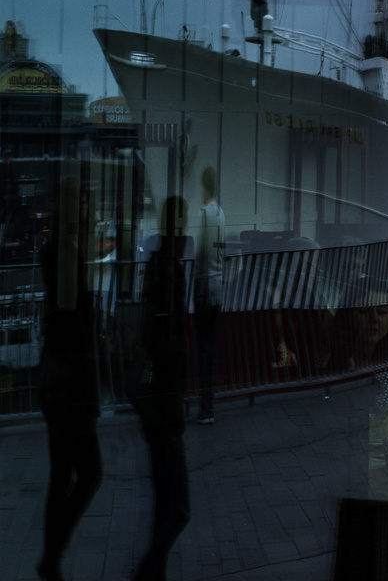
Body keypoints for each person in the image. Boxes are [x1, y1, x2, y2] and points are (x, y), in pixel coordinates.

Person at [37, 178, 102, 581]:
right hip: (69, 383)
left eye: (85, 201)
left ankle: (51, 558)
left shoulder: (65, 252)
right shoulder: (65, 254)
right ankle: (53, 552)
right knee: (88, 473)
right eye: (78, 201)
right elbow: (68, 326)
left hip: (61, 380)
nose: (84, 209)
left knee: (63, 473)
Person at [127, 196, 191, 581]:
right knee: (179, 507)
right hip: (165, 406)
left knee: (165, 501)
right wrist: (176, 414)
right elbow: (169, 350)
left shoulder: (157, 265)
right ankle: (149, 569)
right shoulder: (170, 271)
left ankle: (155, 572)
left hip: (154, 404)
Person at [192, 168, 225, 423]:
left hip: (203, 286)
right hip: (218, 286)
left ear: (204, 187)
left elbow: (200, 251)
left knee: (202, 348)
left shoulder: (204, 214)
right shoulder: (221, 213)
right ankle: (210, 405)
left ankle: (205, 407)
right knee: (211, 347)